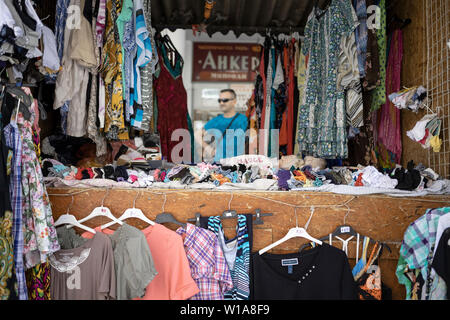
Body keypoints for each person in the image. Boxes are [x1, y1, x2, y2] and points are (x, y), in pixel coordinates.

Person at [199, 89, 248, 162]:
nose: (221, 103)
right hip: (219, 163)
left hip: (239, 163)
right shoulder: (216, 121)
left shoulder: (243, 119)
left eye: (225, 100)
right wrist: (209, 149)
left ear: (234, 101)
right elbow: (197, 134)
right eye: (219, 100)